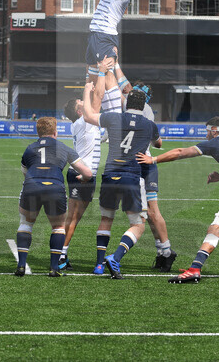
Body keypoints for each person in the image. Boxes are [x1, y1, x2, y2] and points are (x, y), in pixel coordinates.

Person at [137, 116, 219, 283]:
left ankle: (195, 268)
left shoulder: (217, 142)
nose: (206, 135)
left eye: (207, 131)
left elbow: (180, 152)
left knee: (217, 225)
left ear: (214, 131)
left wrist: (153, 159)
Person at [82, 72, 160, 279]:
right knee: (138, 224)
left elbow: (89, 116)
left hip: (110, 175)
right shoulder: (149, 125)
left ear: (127, 104)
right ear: (143, 106)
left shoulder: (114, 117)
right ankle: (115, 257)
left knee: (106, 218)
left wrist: (88, 94)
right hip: (131, 177)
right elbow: (158, 143)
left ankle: (99, 265)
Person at [59, 57, 126, 271]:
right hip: (81, 175)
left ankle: (62, 253)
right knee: (72, 218)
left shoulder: (84, 124)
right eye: (81, 104)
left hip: (86, 174)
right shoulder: (85, 121)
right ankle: (60, 255)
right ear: (80, 112)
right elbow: (98, 95)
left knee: (75, 219)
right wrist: (98, 73)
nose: (84, 103)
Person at [15, 117, 92, 277]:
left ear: (38, 132)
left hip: (32, 185)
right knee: (58, 227)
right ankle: (54, 268)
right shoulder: (63, 147)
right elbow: (87, 173)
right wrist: (83, 179)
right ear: (55, 132)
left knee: (26, 224)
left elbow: (25, 173)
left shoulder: (30, 148)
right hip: (55, 187)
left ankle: (21, 265)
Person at [133, 81, 176, 272]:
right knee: (148, 214)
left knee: (151, 212)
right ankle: (162, 252)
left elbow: (157, 143)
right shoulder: (143, 107)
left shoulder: (144, 109)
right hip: (139, 163)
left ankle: (167, 252)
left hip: (144, 164)